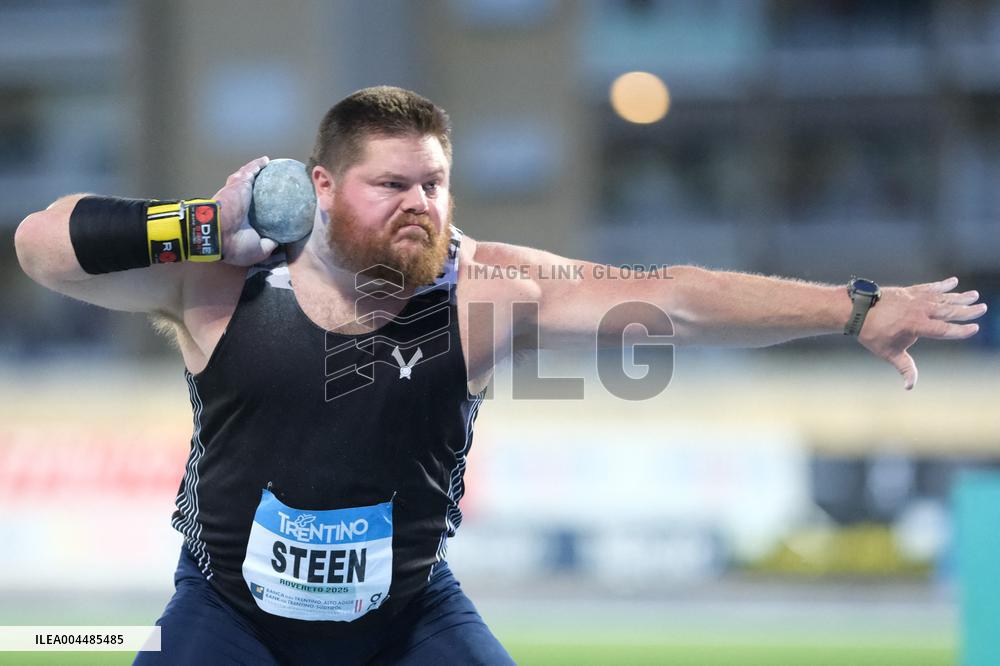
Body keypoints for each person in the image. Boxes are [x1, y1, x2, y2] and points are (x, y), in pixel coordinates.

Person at [14, 86, 986, 664]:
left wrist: (853, 308)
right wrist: (199, 222)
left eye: (432, 183)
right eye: (389, 184)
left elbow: (677, 299)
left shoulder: (487, 294)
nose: (416, 204)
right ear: (318, 188)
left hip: (405, 619)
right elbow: (42, 245)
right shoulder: (223, 285)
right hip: (229, 617)